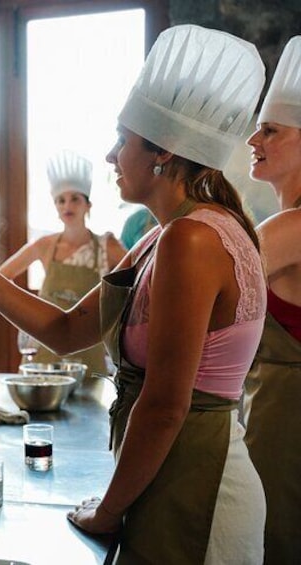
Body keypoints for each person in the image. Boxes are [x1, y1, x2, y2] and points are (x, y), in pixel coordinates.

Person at [0, 25, 267, 563]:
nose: (110, 157)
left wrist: (108, 512)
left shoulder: (192, 239)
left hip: (198, 488)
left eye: (122, 140)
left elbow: (163, 405)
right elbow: (67, 332)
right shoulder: (163, 236)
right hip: (169, 473)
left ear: (164, 154)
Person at [242, 35, 301, 564]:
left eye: (271, 130)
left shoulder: (289, 228)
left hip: (287, 429)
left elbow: (209, 298)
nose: (252, 139)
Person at [0, 150, 125, 379]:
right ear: (56, 207)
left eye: (75, 198)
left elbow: (139, 278)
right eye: (61, 200)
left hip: (89, 347)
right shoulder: (45, 245)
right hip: (45, 349)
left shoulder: (107, 245)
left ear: (88, 205)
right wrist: (27, 314)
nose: (68, 205)